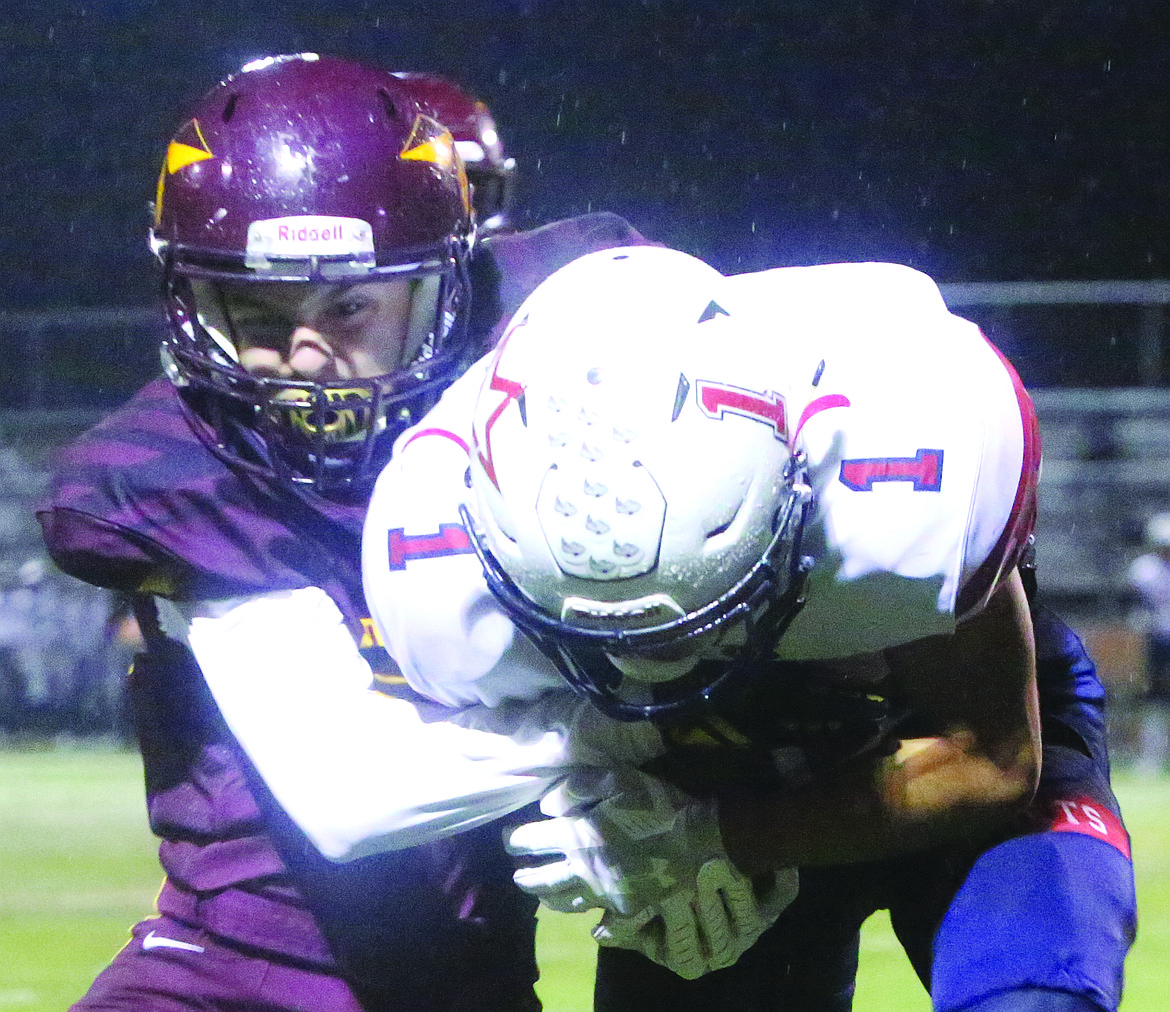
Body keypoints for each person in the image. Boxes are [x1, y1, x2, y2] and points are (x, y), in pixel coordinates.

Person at [354, 246, 1135, 1011]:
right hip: (713, 770)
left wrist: (720, 837)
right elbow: (490, 768)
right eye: (609, 639)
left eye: (701, 615)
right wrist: (620, 815)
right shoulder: (434, 578)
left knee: (1035, 996)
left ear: (794, 497)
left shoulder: (903, 458)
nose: (663, 662)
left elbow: (993, 759)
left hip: (920, 721)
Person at [38, 53, 654, 1012]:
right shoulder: (181, 471)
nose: (309, 360)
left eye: (351, 306)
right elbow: (358, 795)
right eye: (259, 314)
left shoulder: (542, 348)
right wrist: (641, 732)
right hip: (223, 978)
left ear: (444, 286)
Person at [1126, 511, 1170, 774]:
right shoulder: (1146, 569)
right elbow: (1134, 604)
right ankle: (1151, 755)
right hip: (1157, 639)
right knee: (1153, 698)